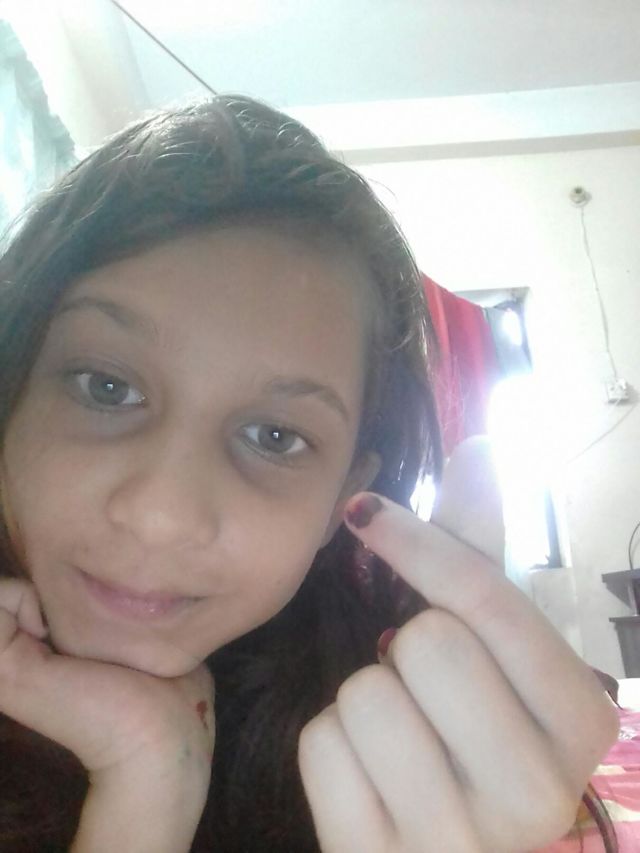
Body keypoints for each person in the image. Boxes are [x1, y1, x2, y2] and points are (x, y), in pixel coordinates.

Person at [0, 95, 620, 853]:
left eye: (274, 436)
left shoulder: (384, 753)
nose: (162, 515)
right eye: (106, 387)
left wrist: (150, 779)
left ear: (340, 502)